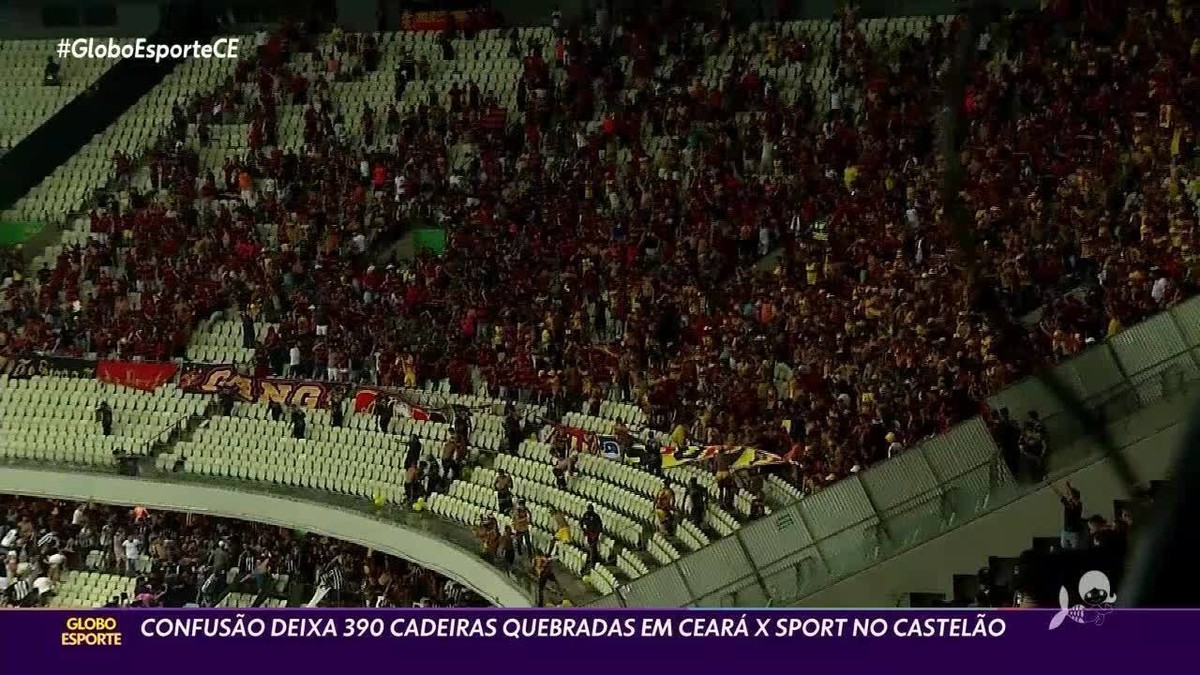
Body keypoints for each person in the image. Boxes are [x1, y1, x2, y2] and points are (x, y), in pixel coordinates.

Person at [1052, 483, 1085, 550]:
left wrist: (1069, 488)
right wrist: (1068, 487)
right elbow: (1059, 494)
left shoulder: (1078, 505)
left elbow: (1071, 498)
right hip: (1066, 531)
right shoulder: (1069, 503)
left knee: (1075, 549)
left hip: (1074, 533)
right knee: (1064, 547)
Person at [580, 504, 602, 570]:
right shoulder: (586, 515)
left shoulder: (596, 516)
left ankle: (592, 563)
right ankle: (595, 560)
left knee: (593, 547)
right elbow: (581, 522)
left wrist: (597, 533)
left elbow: (600, 525)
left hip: (595, 533)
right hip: (589, 533)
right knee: (592, 547)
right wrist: (584, 530)